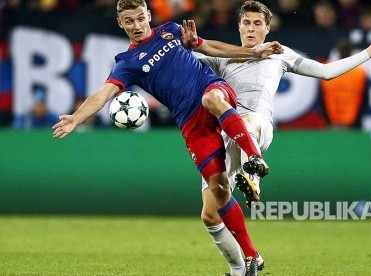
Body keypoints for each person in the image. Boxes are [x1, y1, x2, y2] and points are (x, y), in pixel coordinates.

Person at [52, 0, 283, 275]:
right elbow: (103, 95)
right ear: (120, 24)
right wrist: (76, 118)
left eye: (140, 18)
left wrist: (253, 53)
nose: (137, 25)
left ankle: (254, 159)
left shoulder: (171, 31)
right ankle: (252, 257)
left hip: (210, 88)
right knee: (219, 190)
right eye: (129, 21)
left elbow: (210, 46)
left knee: (213, 98)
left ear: (148, 15)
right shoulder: (127, 63)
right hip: (190, 123)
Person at [183, 0, 371, 272]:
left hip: (258, 127)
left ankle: (254, 173)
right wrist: (187, 47)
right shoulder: (223, 56)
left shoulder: (280, 55)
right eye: (246, 23)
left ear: (267, 28)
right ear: (238, 26)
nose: (251, 28)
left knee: (246, 121)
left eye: (258, 24)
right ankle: (243, 267)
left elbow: (326, 72)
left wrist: (368, 53)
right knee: (210, 215)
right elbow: (186, 63)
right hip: (224, 139)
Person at [320, 38, 368, 129]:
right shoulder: (360, 72)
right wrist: (358, 121)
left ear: (337, 51)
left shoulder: (327, 70)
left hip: (333, 122)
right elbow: (365, 99)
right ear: (352, 51)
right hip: (353, 123)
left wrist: (328, 121)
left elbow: (321, 99)